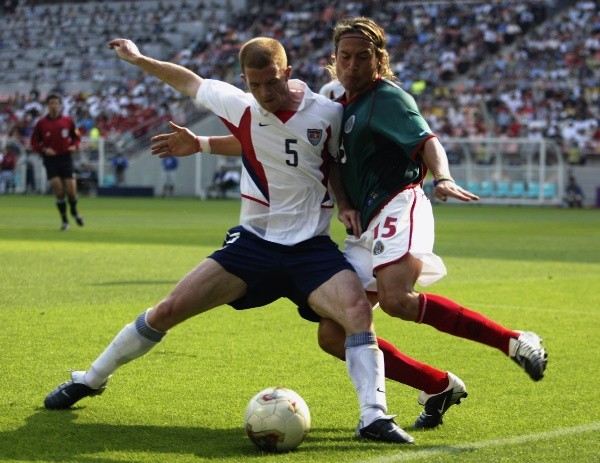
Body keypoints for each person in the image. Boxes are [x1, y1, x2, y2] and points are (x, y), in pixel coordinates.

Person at [179, 16, 549, 430]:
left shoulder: (388, 98)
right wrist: (342, 203)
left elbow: (428, 141)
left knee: (396, 299)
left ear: (378, 59)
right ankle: (437, 385)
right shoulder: (335, 102)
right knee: (333, 334)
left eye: (362, 57)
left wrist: (442, 176)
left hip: (397, 203)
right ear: (333, 60)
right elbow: (316, 159)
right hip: (363, 226)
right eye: (345, 57)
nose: (352, 65)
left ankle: (513, 341)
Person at [43, 36, 414, 445]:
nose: (264, 93)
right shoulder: (241, 105)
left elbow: (332, 163)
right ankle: (91, 378)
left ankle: (373, 417)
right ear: (245, 81)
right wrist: (138, 59)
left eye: (272, 83)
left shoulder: (327, 113)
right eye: (255, 85)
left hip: (311, 249)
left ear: (287, 73)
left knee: (357, 314)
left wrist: (344, 202)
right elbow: (188, 82)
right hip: (253, 245)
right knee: (168, 309)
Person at [30, 93, 84, 230]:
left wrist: (74, 146)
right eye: (51, 103)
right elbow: (34, 142)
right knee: (59, 191)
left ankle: (74, 211)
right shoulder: (41, 123)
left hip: (66, 158)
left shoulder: (68, 121)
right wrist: (44, 149)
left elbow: (76, 137)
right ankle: (65, 221)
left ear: (60, 105)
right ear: (47, 106)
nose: (54, 106)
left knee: (71, 192)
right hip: (50, 160)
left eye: (56, 103)